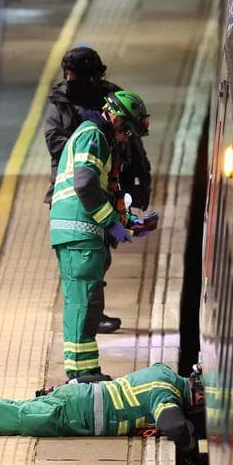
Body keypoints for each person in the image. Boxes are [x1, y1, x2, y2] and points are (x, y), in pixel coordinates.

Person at [48, 89, 159, 381]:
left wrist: (131, 222)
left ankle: (84, 370)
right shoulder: (94, 136)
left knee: (88, 302)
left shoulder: (99, 137)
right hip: (78, 232)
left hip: (80, 233)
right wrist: (111, 222)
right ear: (118, 119)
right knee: (83, 303)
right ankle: (80, 374)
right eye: (128, 133)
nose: (128, 139)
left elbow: (102, 190)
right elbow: (84, 185)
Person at [41, 46, 153, 334]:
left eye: (74, 74)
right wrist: (91, 142)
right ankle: (91, 314)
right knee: (91, 261)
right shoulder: (82, 122)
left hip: (104, 186)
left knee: (99, 256)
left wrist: (130, 214)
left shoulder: (112, 101)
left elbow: (132, 149)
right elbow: (60, 148)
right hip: (79, 198)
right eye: (67, 74)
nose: (69, 79)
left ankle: (91, 316)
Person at [0, 363, 203, 454]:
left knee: (9, 408)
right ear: (199, 396)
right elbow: (173, 425)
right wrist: (190, 444)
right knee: (12, 418)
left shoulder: (163, 372)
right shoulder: (166, 393)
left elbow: (106, 378)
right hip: (74, 414)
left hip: (76, 395)